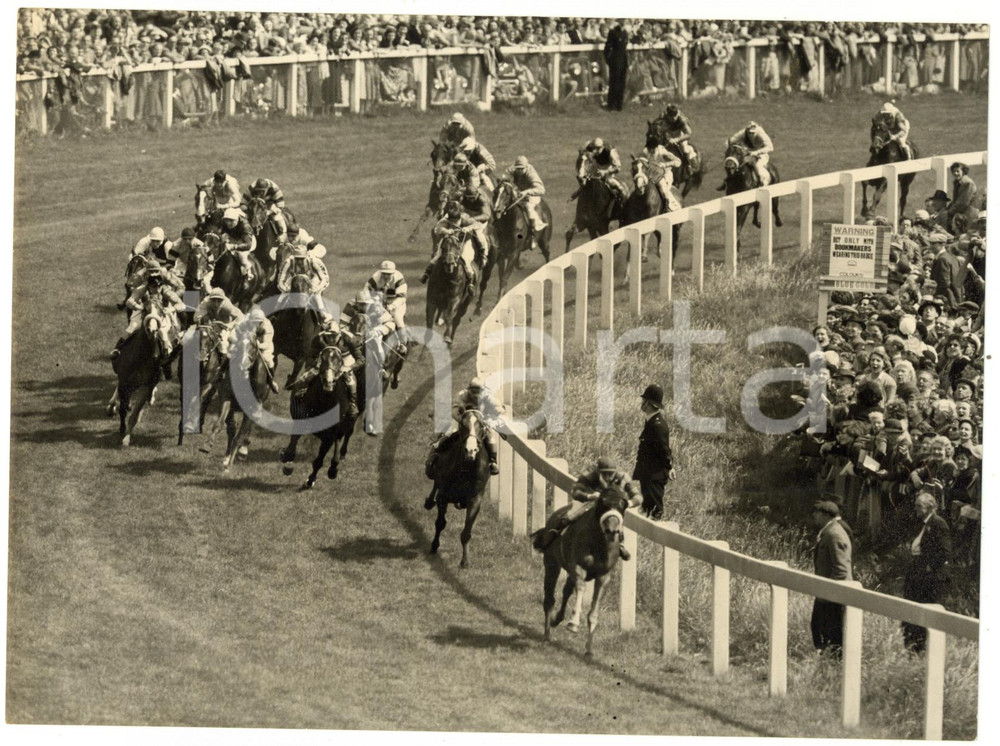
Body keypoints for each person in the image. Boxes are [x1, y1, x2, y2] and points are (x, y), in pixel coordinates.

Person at [533, 457, 640, 560]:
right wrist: (589, 496)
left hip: (610, 505)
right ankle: (550, 537)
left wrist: (628, 503)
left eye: (610, 474)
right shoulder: (589, 476)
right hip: (590, 502)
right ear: (598, 472)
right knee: (570, 516)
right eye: (604, 474)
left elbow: (638, 497)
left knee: (616, 519)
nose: (608, 477)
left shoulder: (623, 478)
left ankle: (620, 544)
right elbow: (575, 492)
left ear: (615, 472)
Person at [426, 377, 506, 483]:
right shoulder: (462, 395)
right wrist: (463, 421)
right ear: (468, 390)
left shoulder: (488, 397)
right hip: (462, 419)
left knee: (490, 437)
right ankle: (435, 454)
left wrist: (493, 420)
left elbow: (500, 411)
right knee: (450, 433)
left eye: (479, 392)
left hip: (480, 421)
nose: (475, 395)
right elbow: (454, 410)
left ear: (483, 391)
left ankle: (492, 462)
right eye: (473, 391)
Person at [902, 492, 952, 653]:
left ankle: (923, 649)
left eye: (919, 506)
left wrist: (929, 567)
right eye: (916, 505)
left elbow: (945, 552)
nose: (916, 509)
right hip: (916, 572)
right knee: (911, 608)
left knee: (925, 611)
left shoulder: (938, 524)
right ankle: (912, 646)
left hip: (929, 577)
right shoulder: (920, 523)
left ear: (930, 507)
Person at [288, 315, 363, 418]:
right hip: (324, 359)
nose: (331, 338)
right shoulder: (318, 338)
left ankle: (353, 403)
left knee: (350, 379)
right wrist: (316, 364)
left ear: (339, 334)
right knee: (304, 378)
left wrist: (349, 368)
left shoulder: (349, 338)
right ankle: (299, 396)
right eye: (329, 336)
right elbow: (309, 356)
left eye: (334, 336)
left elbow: (361, 359)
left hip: (345, 360)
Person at [810, 501, 854, 657]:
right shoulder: (828, 531)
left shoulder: (834, 533)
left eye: (817, 512)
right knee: (818, 629)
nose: (814, 515)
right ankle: (826, 663)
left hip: (832, 597)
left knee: (832, 636)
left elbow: (841, 570)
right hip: (825, 594)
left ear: (825, 515)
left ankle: (833, 668)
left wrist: (829, 594)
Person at [111, 270, 186, 361]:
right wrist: (138, 306)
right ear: (149, 286)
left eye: (159, 286)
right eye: (154, 287)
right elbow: (129, 301)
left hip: (162, 314)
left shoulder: (165, 290)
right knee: (133, 327)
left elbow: (181, 305)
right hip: (143, 312)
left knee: (163, 330)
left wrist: (171, 309)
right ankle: (117, 349)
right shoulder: (142, 288)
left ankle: (167, 354)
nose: (157, 289)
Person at [632, 384, 677, 520]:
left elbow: (664, 450)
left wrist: (669, 467)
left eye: (644, 401)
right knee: (647, 510)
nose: (642, 403)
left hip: (654, 475)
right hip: (649, 473)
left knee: (655, 512)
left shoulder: (658, 426)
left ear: (649, 404)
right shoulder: (651, 422)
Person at [422, 201, 483, 294]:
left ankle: (470, 282)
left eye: (456, 221)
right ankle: (427, 273)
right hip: (449, 241)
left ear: (459, 218)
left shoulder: (465, 218)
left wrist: (468, 228)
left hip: (464, 242)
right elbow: (437, 229)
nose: (454, 223)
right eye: (452, 221)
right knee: (437, 256)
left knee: (466, 259)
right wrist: (446, 231)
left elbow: (478, 224)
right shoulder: (446, 219)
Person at [340, 288, 394, 380]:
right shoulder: (350, 306)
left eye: (366, 304)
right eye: (361, 304)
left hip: (373, 329)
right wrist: (349, 334)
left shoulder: (377, 307)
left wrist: (378, 331)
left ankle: (381, 368)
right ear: (356, 303)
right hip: (355, 331)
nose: (363, 307)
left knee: (377, 344)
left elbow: (391, 323)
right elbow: (342, 325)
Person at [499, 155, 548, 243]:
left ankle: (533, 234)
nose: (519, 171)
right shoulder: (511, 170)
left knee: (528, 207)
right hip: (518, 193)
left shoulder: (531, 173)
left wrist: (527, 192)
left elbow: (541, 190)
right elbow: (505, 179)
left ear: (526, 167)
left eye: (521, 169)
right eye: (518, 168)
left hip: (532, 195)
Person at [192, 287, 244, 359]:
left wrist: (228, 325)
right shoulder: (205, 302)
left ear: (223, 300)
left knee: (223, 344)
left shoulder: (227, 306)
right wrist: (204, 318)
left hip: (225, 326)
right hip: (210, 324)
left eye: (219, 300)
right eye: (213, 300)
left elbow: (240, 317)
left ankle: (221, 365)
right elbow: (196, 317)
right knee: (189, 337)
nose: (216, 303)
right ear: (210, 299)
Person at [579, 137, 628, 213]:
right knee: (586, 185)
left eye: (598, 149)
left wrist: (605, 171)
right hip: (595, 168)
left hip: (608, 169)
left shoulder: (610, 151)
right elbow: (583, 156)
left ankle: (622, 206)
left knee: (613, 183)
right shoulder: (590, 148)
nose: (595, 151)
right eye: (594, 148)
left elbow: (618, 167)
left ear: (602, 147)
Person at [236, 307, 279, 393]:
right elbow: (237, 329)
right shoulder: (245, 320)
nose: (256, 324)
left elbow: (267, 343)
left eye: (258, 322)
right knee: (232, 352)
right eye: (254, 322)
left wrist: (258, 345)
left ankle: (270, 381)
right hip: (248, 342)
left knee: (269, 360)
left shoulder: (267, 326)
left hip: (263, 345)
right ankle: (222, 371)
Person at [276, 240, 329, 310]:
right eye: (297, 259)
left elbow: (325, 279)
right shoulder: (288, 262)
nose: (299, 262)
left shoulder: (314, 261)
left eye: (302, 259)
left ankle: (324, 316)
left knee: (317, 297)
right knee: (282, 296)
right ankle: (275, 314)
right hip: (294, 280)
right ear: (294, 257)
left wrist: (316, 289)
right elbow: (281, 280)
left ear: (306, 256)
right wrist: (287, 290)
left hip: (311, 280)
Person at [366, 260, 409, 344]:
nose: (386, 276)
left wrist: (392, 306)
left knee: (397, 317)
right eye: (384, 273)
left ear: (393, 273)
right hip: (380, 302)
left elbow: (402, 298)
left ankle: (403, 343)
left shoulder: (399, 278)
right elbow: (366, 292)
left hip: (396, 303)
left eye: (389, 274)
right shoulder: (375, 278)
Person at [725, 121, 774, 188]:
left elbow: (770, 147)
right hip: (748, 152)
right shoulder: (743, 132)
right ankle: (728, 181)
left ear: (756, 131)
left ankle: (761, 183)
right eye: (749, 133)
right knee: (734, 164)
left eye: (753, 133)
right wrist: (729, 147)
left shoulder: (761, 134)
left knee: (758, 166)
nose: (751, 135)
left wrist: (756, 152)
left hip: (761, 154)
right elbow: (731, 140)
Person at [640, 137, 683, 211]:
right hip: (652, 174)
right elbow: (640, 158)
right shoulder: (646, 151)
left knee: (663, 188)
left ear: (656, 147)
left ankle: (668, 207)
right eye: (649, 149)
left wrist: (665, 164)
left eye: (653, 149)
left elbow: (678, 161)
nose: (651, 151)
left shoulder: (662, 152)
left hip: (665, 174)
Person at [241, 176, 288, 241]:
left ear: (267, 188)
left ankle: (283, 234)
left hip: (270, 204)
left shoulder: (274, 189)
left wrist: (269, 212)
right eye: (258, 191)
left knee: (277, 217)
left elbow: (280, 205)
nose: (260, 193)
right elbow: (243, 203)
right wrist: (249, 212)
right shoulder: (251, 189)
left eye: (263, 191)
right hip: (255, 205)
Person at [219, 207, 257, 280]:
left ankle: (248, 271)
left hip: (246, 241)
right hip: (233, 238)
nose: (228, 223)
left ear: (237, 220)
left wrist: (234, 246)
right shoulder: (224, 222)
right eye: (226, 220)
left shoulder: (245, 226)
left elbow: (248, 244)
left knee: (241, 255)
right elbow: (222, 232)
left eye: (231, 221)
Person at [659, 103, 697, 171]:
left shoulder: (682, 120)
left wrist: (676, 139)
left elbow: (689, 133)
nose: (674, 118)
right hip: (668, 133)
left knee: (684, 147)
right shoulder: (663, 116)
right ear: (668, 115)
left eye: (675, 116)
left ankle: (688, 166)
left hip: (680, 134)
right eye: (671, 116)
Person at [603, 19, 629, 111]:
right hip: (615, 61)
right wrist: (609, 60)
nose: (625, 21)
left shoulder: (625, 33)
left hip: (623, 61)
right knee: (614, 83)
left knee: (622, 83)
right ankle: (611, 105)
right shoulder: (613, 32)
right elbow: (607, 47)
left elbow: (625, 48)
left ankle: (619, 105)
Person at [947, 162, 978, 233]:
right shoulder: (957, 182)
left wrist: (950, 212)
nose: (955, 173)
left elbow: (963, 202)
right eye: (954, 171)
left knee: (966, 232)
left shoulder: (967, 183)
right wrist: (947, 208)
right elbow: (955, 200)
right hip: (961, 211)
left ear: (963, 171)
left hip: (969, 212)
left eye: (958, 171)